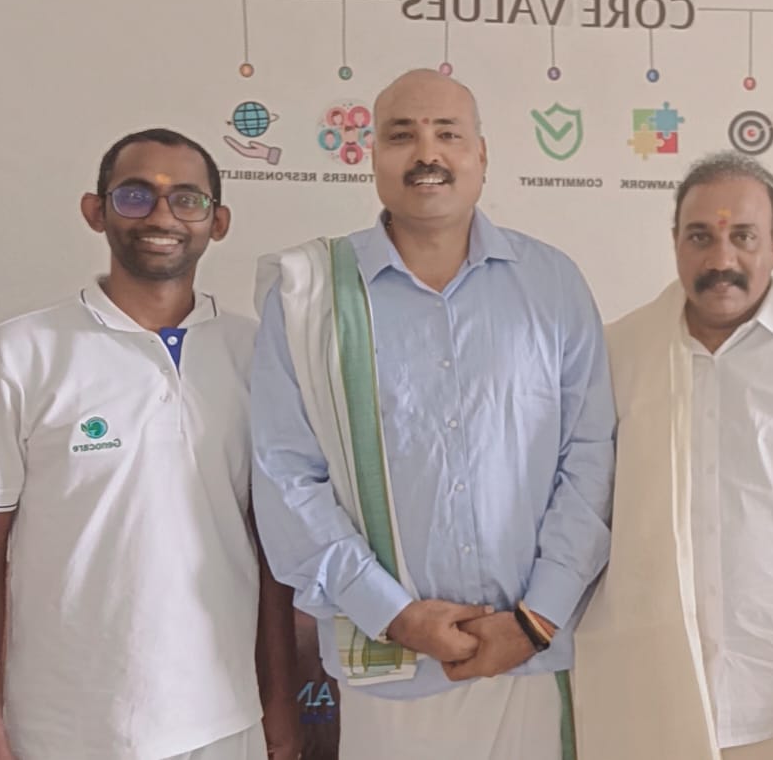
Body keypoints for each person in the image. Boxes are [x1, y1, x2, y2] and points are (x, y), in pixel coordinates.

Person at [250, 69, 616, 760]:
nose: (427, 153)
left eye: (448, 134)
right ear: (372, 157)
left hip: (529, 662)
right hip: (388, 670)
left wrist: (537, 617)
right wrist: (392, 613)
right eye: (402, 136)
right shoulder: (310, 298)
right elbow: (285, 477)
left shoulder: (551, 284)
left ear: (481, 155)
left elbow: (591, 454)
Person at [0, 129, 300, 760]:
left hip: (221, 719)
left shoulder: (258, 355)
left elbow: (270, 547)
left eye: (187, 199)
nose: (161, 216)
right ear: (95, 211)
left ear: (218, 222)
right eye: (135, 195)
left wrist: (279, 700)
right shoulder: (18, 354)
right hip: (56, 727)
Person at [576, 152, 773, 760]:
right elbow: (585, 515)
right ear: (675, 242)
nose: (720, 259)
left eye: (743, 236)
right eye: (701, 236)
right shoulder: (619, 352)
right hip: (645, 700)